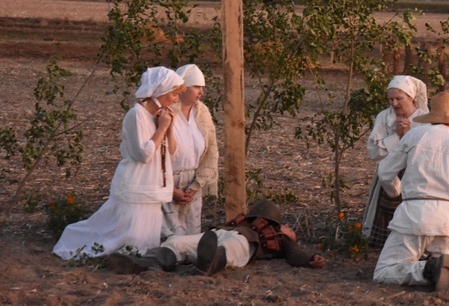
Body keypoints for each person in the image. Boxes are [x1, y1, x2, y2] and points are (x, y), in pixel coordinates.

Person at [53, 67, 184, 259]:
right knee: (121, 233)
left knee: (144, 240)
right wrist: (161, 128)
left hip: (153, 184)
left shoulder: (159, 117)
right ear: (160, 91)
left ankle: (138, 262)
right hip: (137, 182)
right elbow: (143, 155)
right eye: (173, 94)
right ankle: (77, 241)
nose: (175, 99)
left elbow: (171, 152)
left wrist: (168, 128)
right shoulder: (136, 115)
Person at [373, 92, 449, 292]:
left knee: (385, 271)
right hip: (447, 219)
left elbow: (385, 172)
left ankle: (428, 269)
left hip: (414, 213)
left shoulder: (415, 135)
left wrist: (398, 193)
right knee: (443, 266)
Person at [109, 199, 326, 275]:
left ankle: (208, 264)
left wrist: (308, 257)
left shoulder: (280, 237)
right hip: (219, 235)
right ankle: (148, 264)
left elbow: (294, 253)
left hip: (245, 242)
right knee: (177, 241)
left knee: (231, 248)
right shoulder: (239, 223)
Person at [362, 76, 429, 249]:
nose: (394, 103)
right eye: (391, 99)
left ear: (411, 97)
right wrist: (397, 136)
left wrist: (409, 135)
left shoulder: (425, 119)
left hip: (417, 176)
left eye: (399, 98)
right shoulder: (384, 117)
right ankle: (383, 246)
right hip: (389, 176)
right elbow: (373, 152)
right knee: (387, 212)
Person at [161, 64, 219, 238]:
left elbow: (211, 151)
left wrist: (195, 186)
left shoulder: (202, 113)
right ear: (182, 87)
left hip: (192, 184)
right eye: (196, 86)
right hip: (168, 182)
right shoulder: (166, 112)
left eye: (202, 87)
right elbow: (157, 154)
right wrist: (171, 190)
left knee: (191, 240)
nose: (201, 92)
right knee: (169, 240)